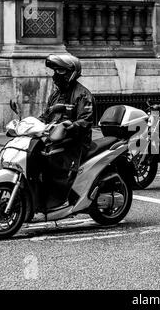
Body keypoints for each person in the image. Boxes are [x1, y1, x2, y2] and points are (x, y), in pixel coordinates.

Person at [36, 54, 94, 216]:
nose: (55, 76)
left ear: (71, 73)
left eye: (59, 71)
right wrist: (31, 125)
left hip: (74, 143)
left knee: (54, 160)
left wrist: (69, 127)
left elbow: (85, 122)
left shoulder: (82, 94)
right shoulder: (55, 95)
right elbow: (46, 116)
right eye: (54, 71)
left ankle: (60, 200)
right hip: (55, 139)